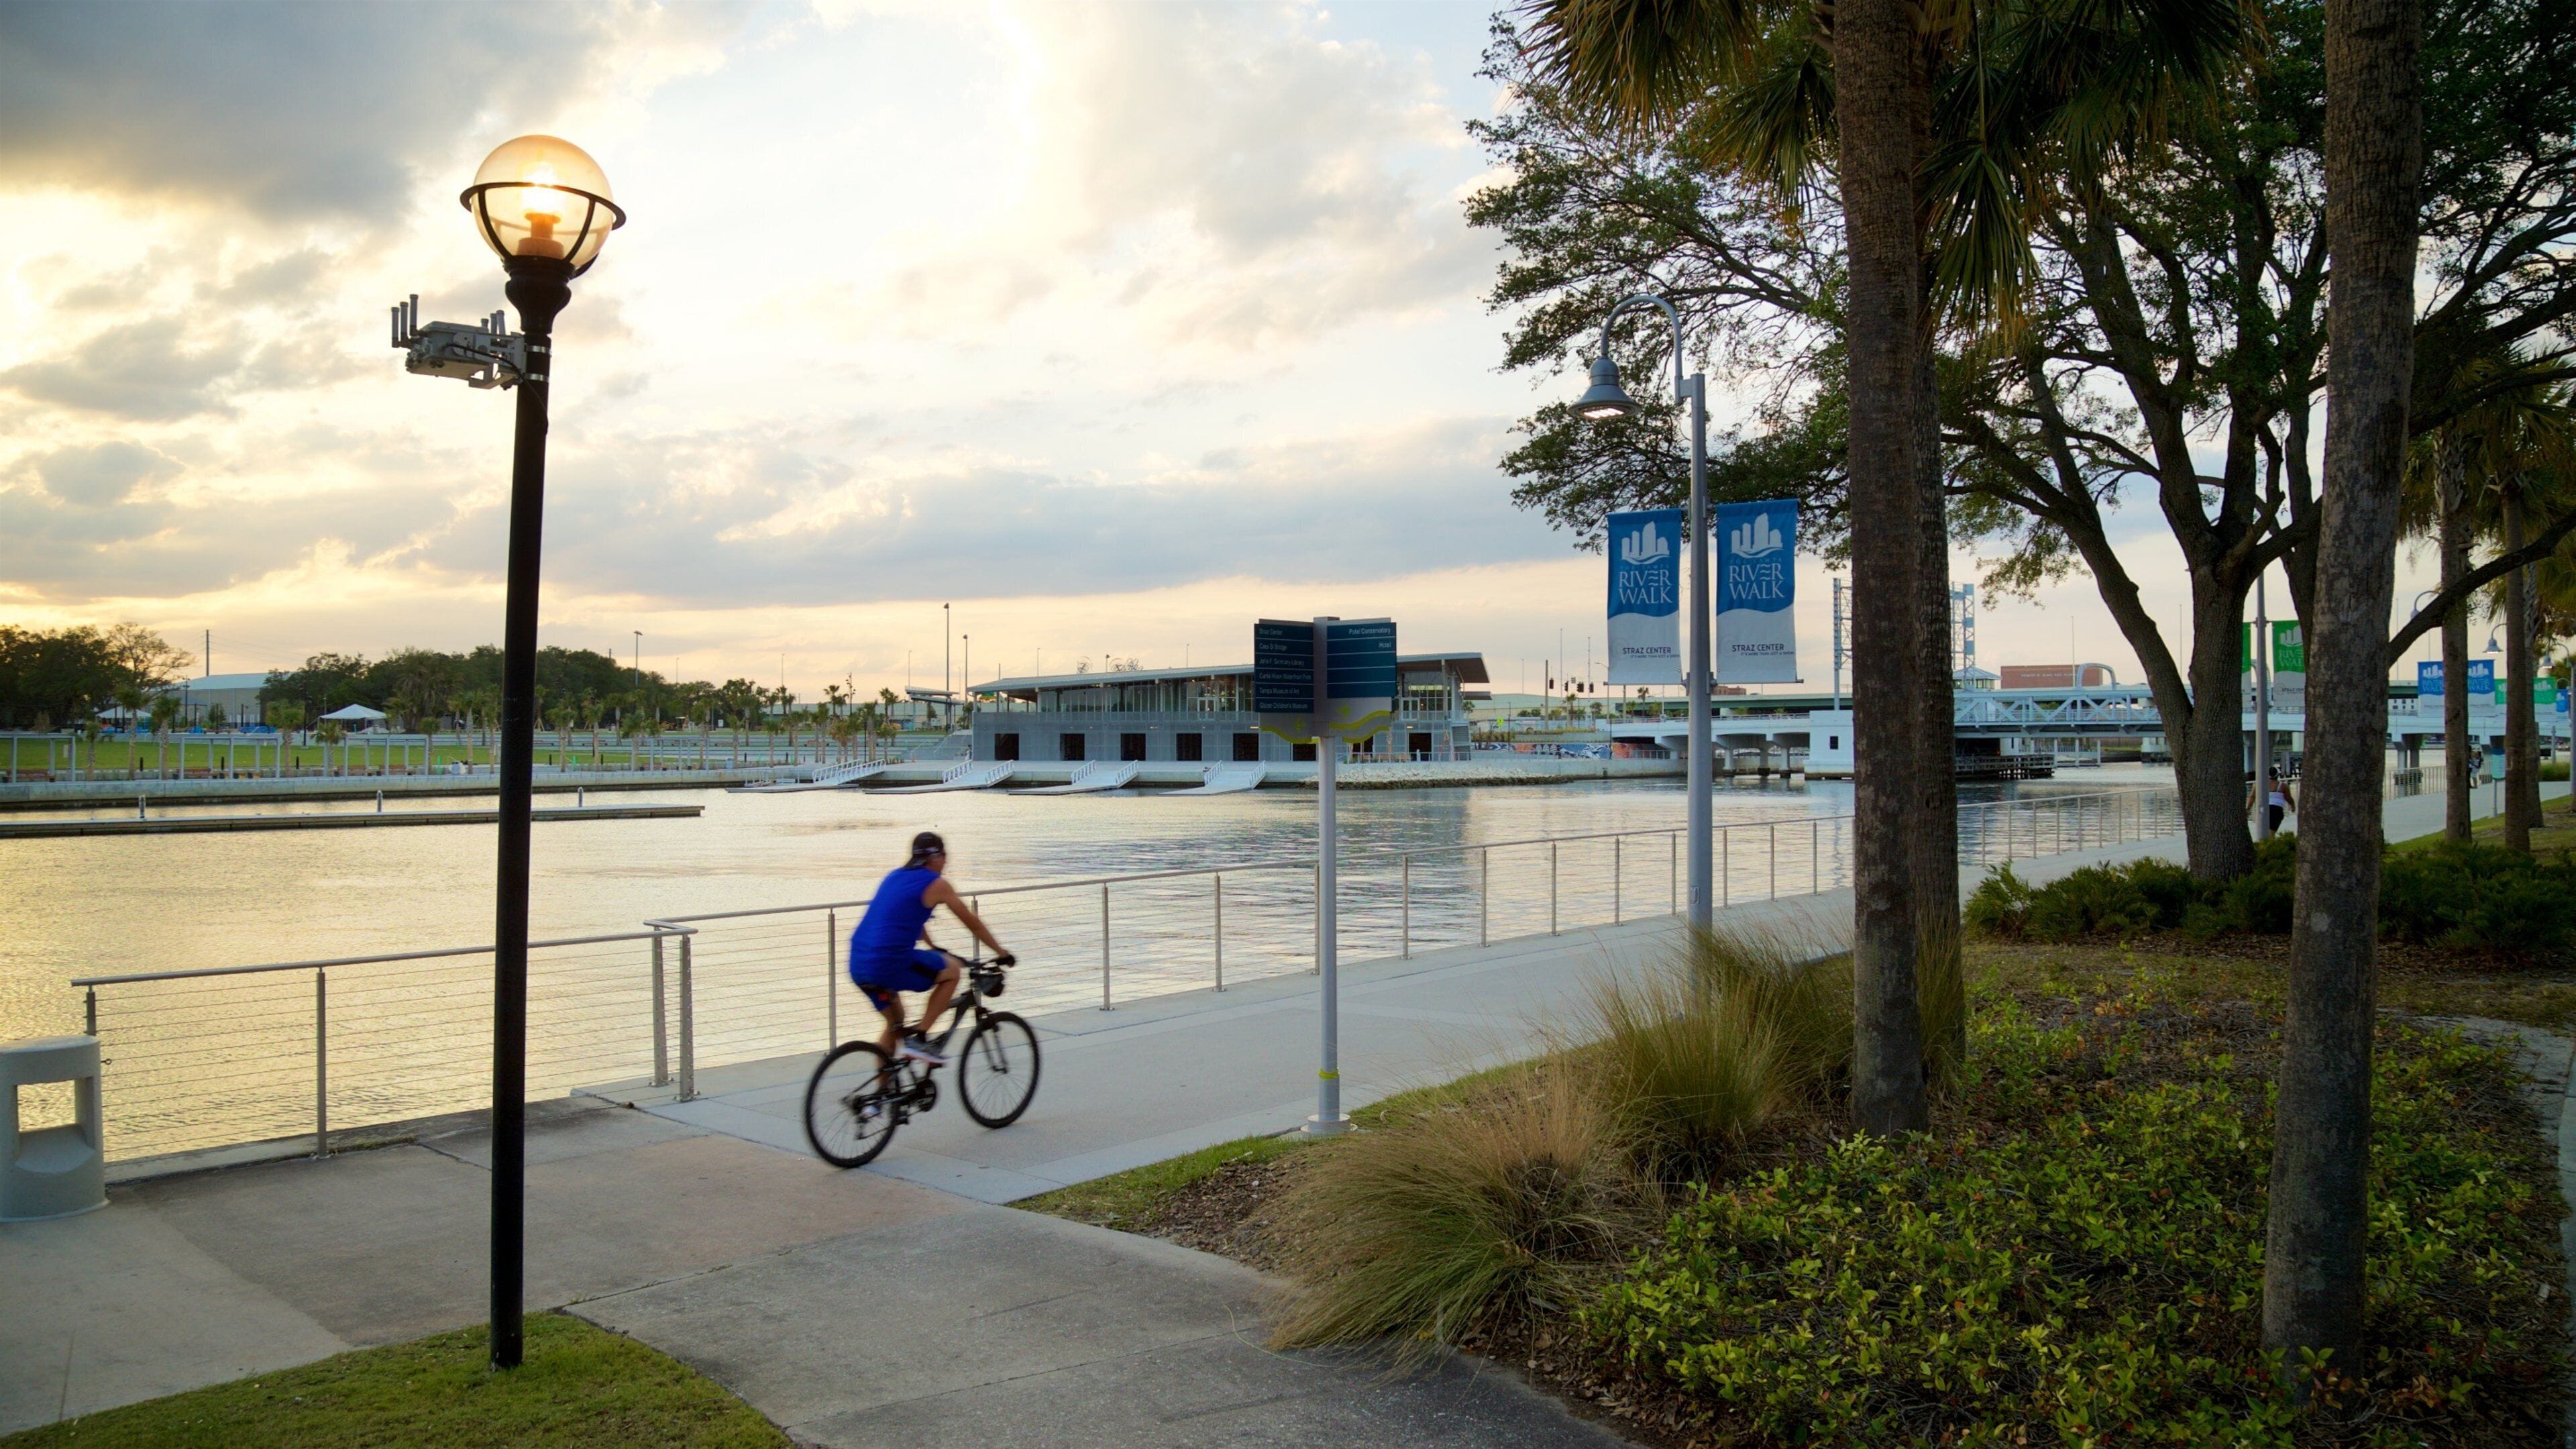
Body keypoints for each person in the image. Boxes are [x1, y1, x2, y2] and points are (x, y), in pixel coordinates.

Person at [846, 830, 1011, 1067]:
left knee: (895, 1024)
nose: (946, 862)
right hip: (888, 962)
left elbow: (905, 917)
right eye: (944, 856)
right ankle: (920, 1038)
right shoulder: (937, 884)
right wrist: (1002, 953)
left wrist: (934, 947)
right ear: (935, 857)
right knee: (953, 972)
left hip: (858, 963)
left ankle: (882, 1089)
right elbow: (972, 923)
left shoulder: (894, 876)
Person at [2247, 768, 2296, 835]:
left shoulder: (2259, 785)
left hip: (2263, 809)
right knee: (2271, 833)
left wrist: (2248, 808)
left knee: (2262, 832)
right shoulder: (2283, 786)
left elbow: (2252, 797)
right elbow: (2289, 799)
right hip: (2276, 810)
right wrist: (2293, 806)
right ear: (2278, 775)